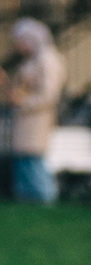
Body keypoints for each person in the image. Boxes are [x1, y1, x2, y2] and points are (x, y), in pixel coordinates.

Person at [8, 19, 63, 205]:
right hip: (25, 119)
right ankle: (27, 199)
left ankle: (44, 197)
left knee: (33, 159)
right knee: (23, 158)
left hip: (36, 119)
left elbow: (49, 94)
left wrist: (23, 102)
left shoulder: (48, 59)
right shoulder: (33, 59)